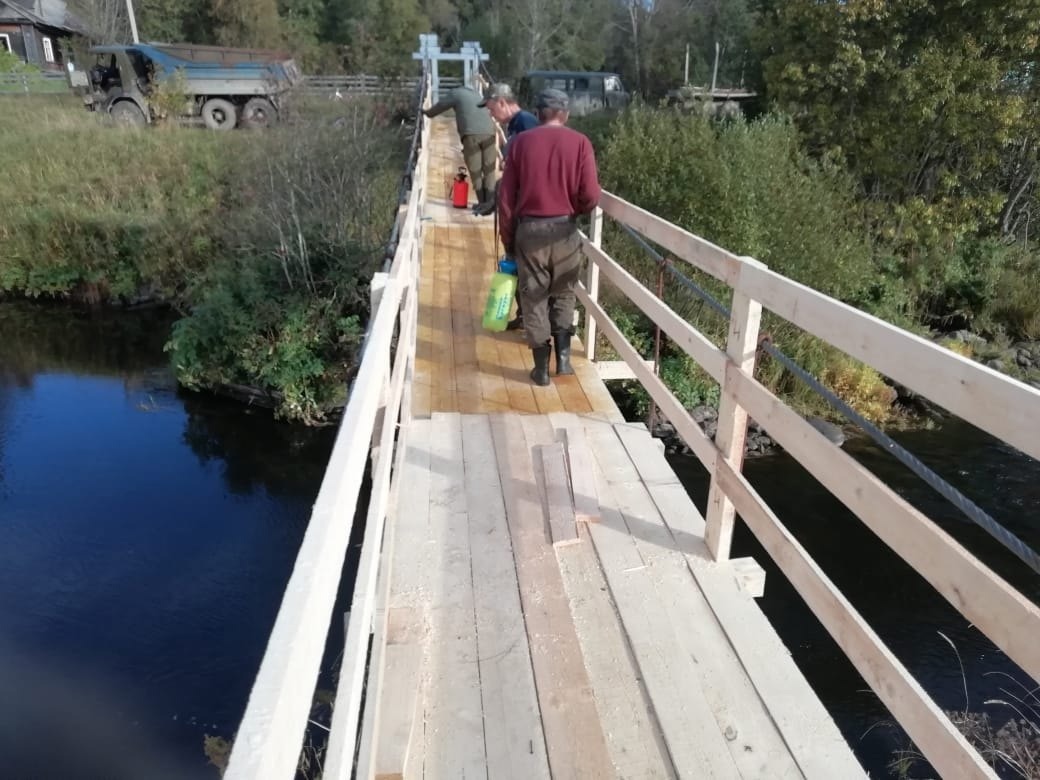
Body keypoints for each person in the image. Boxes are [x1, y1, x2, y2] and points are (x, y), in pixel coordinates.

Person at [498, 88, 602, 386]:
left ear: (539, 113)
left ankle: (541, 369)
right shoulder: (581, 143)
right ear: (565, 114)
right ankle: (565, 361)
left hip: (529, 231)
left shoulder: (519, 143)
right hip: (565, 228)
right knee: (564, 293)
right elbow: (591, 195)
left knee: (534, 298)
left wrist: (509, 239)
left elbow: (506, 199)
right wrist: (574, 211)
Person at [475, 82, 539, 329]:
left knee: (525, 268)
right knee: (517, 266)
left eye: (491, 109)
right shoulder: (515, 125)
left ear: (502, 102)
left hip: (526, 210)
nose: (491, 115)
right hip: (519, 206)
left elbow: (527, 169)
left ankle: (531, 321)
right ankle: (524, 316)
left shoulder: (525, 123)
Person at [423, 85, 497, 207]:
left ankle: (483, 203)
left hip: (471, 134)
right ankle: (490, 203)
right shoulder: (475, 93)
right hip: (489, 133)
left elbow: (441, 106)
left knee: (476, 171)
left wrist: (428, 113)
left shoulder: (455, 93)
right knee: (489, 170)